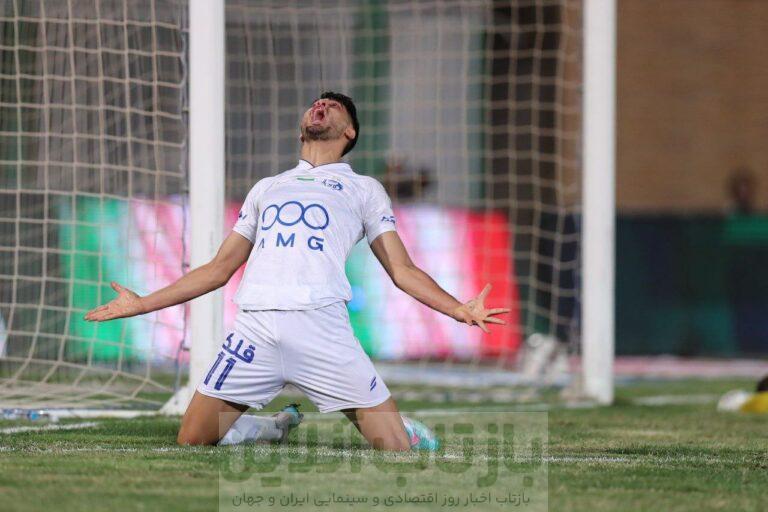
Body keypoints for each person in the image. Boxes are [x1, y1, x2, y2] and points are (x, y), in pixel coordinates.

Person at [85, 92, 509, 451]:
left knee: (396, 448)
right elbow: (218, 269)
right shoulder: (267, 187)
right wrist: (143, 303)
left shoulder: (364, 189)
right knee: (192, 439)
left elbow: (402, 269)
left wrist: (458, 309)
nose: (320, 105)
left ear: (350, 132)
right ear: (303, 126)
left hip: (322, 329)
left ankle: (404, 430)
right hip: (256, 329)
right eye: (316, 103)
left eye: (333, 105)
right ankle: (270, 428)